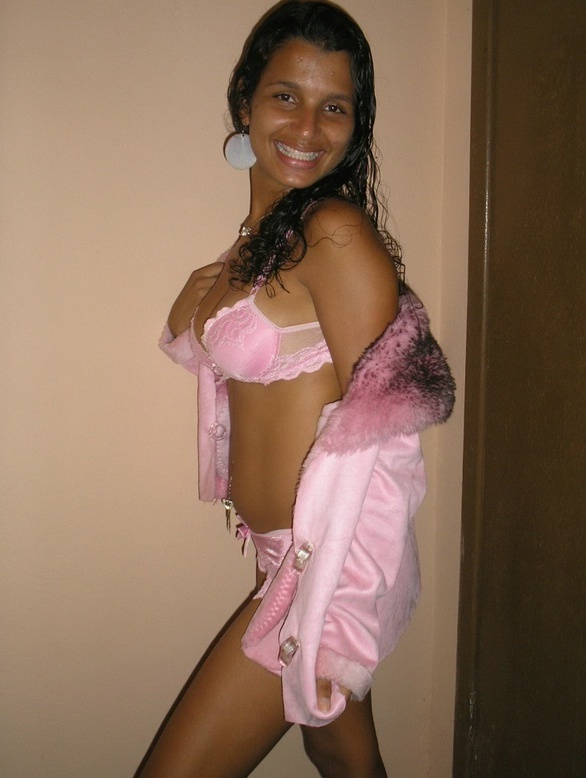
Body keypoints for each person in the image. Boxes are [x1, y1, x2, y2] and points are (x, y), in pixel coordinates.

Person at [139, 1, 454, 776]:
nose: (308, 127)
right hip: (277, 560)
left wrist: (336, 620)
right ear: (245, 102)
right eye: (286, 96)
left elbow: (386, 451)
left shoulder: (333, 234)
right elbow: (225, 356)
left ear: (356, 124)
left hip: (320, 575)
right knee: (342, 756)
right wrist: (195, 303)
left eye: (334, 107)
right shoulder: (258, 248)